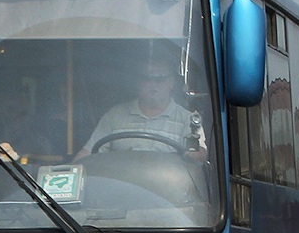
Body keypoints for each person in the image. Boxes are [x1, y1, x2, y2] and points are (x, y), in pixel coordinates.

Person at [76, 63, 206, 161]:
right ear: (138, 82)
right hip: (120, 190)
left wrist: (196, 154)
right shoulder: (115, 115)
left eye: (159, 79)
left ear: (171, 83)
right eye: (146, 78)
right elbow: (88, 153)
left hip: (169, 194)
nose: (152, 84)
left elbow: (200, 155)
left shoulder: (188, 120)